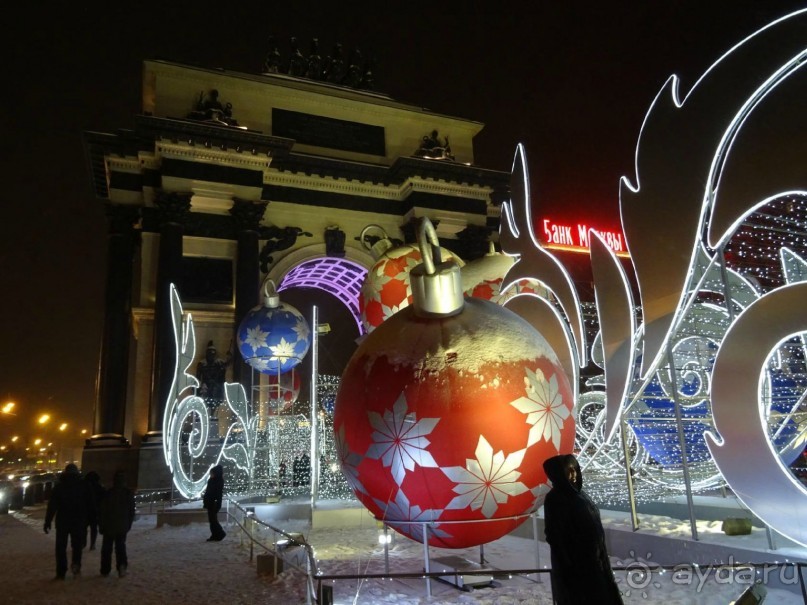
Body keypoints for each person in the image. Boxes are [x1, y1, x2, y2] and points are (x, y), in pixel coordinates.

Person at [542, 454, 623, 605]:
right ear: (558, 474)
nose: (573, 474)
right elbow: (555, 535)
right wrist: (571, 564)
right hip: (578, 568)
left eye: (574, 469)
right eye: (568, 470)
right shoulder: (556, 499)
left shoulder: (580, 495)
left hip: (596, 562)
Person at [44, 463, 93, 579]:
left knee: (61, 547)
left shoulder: (60, 487)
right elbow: (90, 504)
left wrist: (47, 521)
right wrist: (91, 520)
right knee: (77, 546)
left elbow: (52, 506)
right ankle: (76, 565)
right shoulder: (84, 486)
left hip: (63, 521)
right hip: (78, 521)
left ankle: (61, 571)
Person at [99, 470, 135, 578]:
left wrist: (101, 524)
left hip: (109, 525)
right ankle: (122, 566)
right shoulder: (128, 494)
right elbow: (131, 511)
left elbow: (102, 510)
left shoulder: (108, 493)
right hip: (122, 525)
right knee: (120, 547)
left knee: (107, 548)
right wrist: (128, 524)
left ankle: (105, 569)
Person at [202, 464, 226, 541]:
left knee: (213, 520)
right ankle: (216, 534)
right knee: (212, 520)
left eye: (212, 473)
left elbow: (215, 493)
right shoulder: (215, 480)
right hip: (211, 502)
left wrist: (215, 502)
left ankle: (219, 533)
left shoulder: (216, 481)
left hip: (213, 502)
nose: (210, 474)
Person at [83, 471, 104, 550]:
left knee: (84, 528)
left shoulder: (84, 487)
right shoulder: (99, 487)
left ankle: (83, 543)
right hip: (95, 511)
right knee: (94, 528)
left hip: (85, 510)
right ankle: (92, 544)